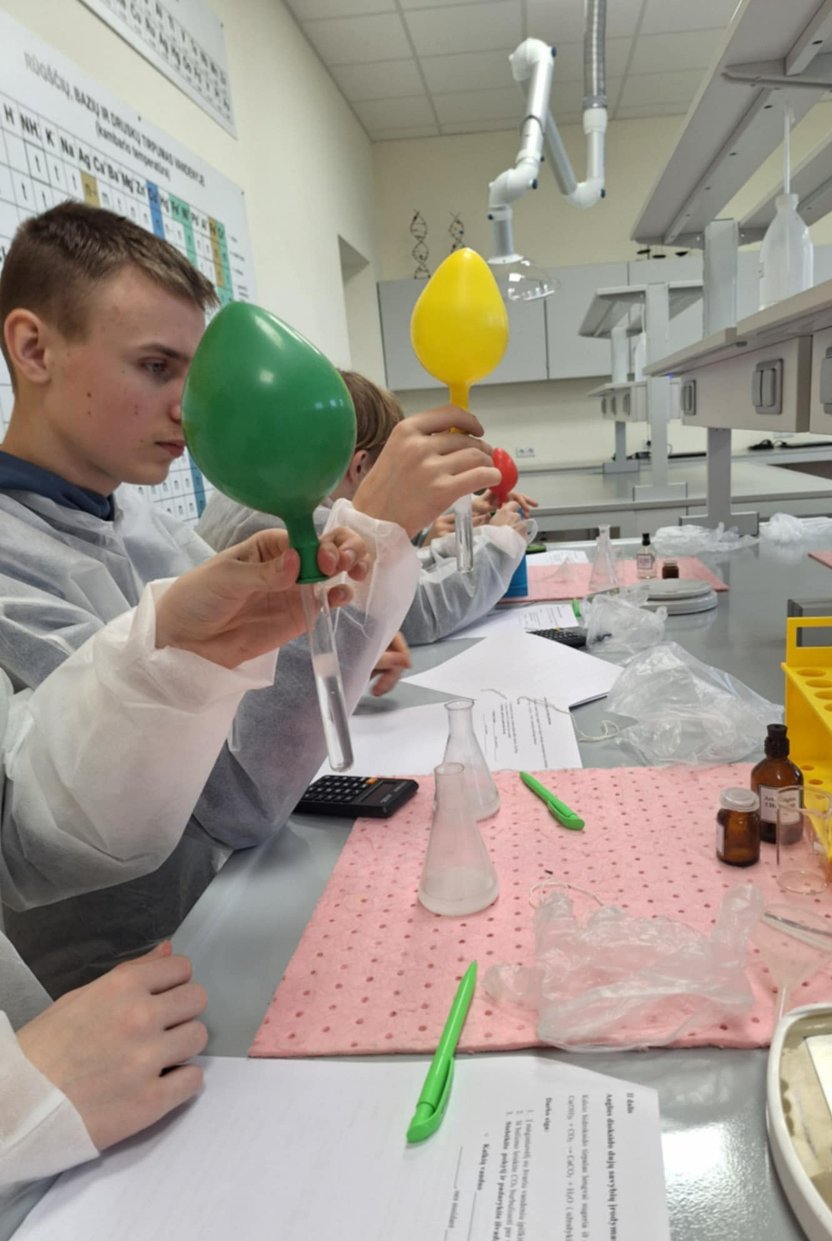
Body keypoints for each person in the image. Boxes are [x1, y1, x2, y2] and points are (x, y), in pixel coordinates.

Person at [0, 201, 500, 996]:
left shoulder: (140, 523)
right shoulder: (17, 566)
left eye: (192, 375)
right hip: (118, 993)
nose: (186, 407)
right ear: (33, 348)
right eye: (155, 367)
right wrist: (370, 530)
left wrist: (334, 626)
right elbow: (232, 798)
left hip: (226, 913)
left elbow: (244, 720)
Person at [0, 525, 366, 1201]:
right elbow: (236, 801)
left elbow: (27, 832)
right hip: (66, 1091)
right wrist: (12, 1106)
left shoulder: (136, 519)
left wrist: (173, 666)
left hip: (103, 1065)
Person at [198, 371, 537, 644]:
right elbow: (416, 614)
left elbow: (385, 575)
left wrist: (443, 539)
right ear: (360, 467)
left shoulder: (251, 493)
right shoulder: (297, 523)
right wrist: (501, 541)